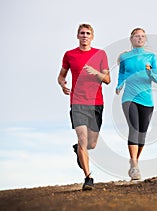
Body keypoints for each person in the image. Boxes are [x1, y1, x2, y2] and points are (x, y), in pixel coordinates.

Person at [57, 24, 110, 190]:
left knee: (91, 144)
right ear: (77, 36)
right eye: (82, 33)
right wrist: (62, 84)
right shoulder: (69, 55)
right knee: (82, 139)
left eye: (88, 33)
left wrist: (96, 72)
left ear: (92, 36)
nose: (85, 36)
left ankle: (78, 150)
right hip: (77, 102)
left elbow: (107, 79)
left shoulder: (100, 54)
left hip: (96, 102)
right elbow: (61, 76)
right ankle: (88, 178)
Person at [115, 27, 157, 180]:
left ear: (145, 39)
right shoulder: (125, 57)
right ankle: (134, 166)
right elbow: (121, 73)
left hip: (147, 100)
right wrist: (119, 85)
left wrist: (150, 72)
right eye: (137, 36)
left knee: (142, 135)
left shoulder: (151, 56)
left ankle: (134, 161)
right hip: (129, 98)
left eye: (142, 36)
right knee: (133, 128)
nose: (140, 38)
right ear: (131, 39)